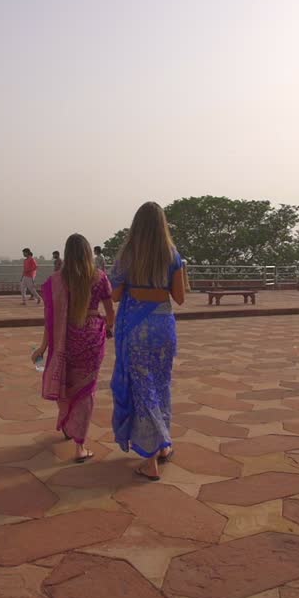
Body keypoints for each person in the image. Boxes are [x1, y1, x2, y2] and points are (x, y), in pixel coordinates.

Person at [110, 201, 187, 481]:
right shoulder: (172, 255)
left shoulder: (127, 255)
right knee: (161, 385)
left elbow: (114, 295)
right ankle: (163, 444)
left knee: (143, 390)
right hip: (162, 326)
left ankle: (151, 459)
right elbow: (180, 298)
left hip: (135, 328)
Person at [31, 234, 115, 462]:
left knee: (66, 383)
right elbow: (110, 313)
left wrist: (43, 347)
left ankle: (68, 421)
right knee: (86, 389)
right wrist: (107, 328)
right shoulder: (99, 277)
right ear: (88, 253)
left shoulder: (57, 280)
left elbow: (51, 320)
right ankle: (80, 445)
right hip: (92, 338)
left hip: (66, 337)